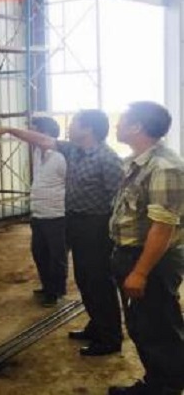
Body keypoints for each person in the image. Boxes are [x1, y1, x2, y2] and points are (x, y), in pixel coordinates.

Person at [0, 109, 123, 356]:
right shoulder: (73, 150)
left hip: (97, 226)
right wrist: (9, 130)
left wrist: (115, 235)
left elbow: (120, 199)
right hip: (75, 221)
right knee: (84, 279)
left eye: (75, 123)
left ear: (88, 128)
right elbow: (41, 139)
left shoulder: (108, 158)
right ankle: (96, 325)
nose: (69, 127)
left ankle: (110, 338)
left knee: (99, 281)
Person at [107, 102, 184, 395]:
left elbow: (162, 228)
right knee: (142, 326)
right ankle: (157, 382)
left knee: (159, 327)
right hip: (131, 255)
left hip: (152, 261)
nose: (117, 124)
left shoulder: (164, 167)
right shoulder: (137, 162)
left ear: (137, 126)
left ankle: (167, 388)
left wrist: (140, 272)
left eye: (123, 119)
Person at [28, 116, 68, 307]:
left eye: (33, 131)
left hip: (57, 215)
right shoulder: (37, 152)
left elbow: (70, 184)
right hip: (38, 213)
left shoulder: (61, 157)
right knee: (39, 253)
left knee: (56, 256)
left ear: (46, 134)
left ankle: (56, 292)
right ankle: (47, 286)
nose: (29, 135)